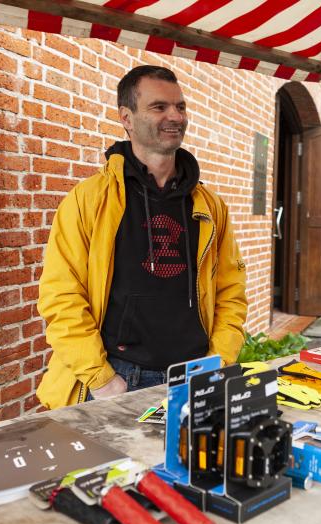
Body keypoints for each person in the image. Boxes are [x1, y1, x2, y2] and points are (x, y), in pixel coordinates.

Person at [36, 65, 247, 409]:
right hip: (119, 378)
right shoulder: (90, 199)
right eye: (159, 107)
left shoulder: (210, 207)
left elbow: (231, 293)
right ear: (127, 118)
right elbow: (61, 296)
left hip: (193, 376)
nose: (174, 116)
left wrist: (218, 362)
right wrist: (102, 380)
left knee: (189, 464)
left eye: (180, 106)